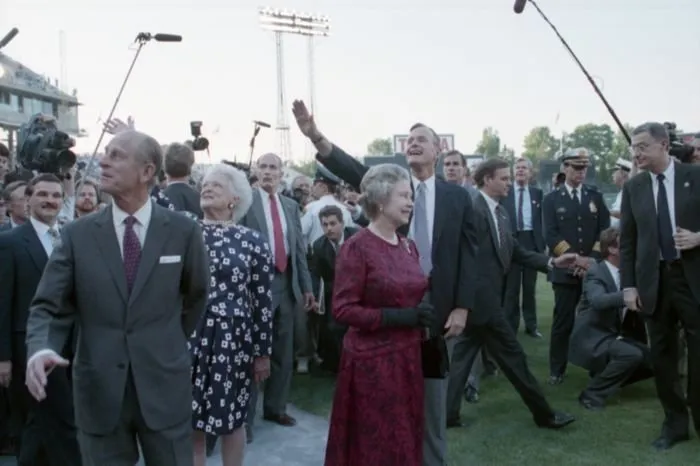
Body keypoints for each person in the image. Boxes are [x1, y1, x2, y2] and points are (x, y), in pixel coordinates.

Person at [293, 99, 478, 466]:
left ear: (438, 149)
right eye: (409, 139)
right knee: (390, 416)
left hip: (438, 317)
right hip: (387, 318)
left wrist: (461, 306)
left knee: (432, 411)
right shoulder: (390, 191)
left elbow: (471, 255)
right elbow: (347, 166)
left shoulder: (459, 196)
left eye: (422, 138)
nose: (413, 143)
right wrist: (316, 136)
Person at [24, 130, 210, 466]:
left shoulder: (184, 231)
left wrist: (164, 339)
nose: (104, 161)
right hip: (98, 392)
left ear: (147, 172)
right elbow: (49, 306)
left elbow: (196, 297)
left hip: (164, 388)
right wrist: (41, 347)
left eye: (117, 155)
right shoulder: (76, 235)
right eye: (105, 153)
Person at [445, 158, 576, 430]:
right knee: (514, 357)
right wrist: (464, 302)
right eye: (503, 178)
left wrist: (552, 262)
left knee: (461, 360)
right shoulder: (472, 208)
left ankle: (447, 415)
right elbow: (463, 259)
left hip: (482, 302)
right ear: (486, 180)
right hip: (482, 304)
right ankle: (545, 415)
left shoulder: (501, 212)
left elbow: (514, 250)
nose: (509, 182)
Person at [325, 164, 431, 466]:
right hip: (372, 364)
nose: (410, 202)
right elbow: (343, 309)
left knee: (405, 437)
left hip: (408, 358)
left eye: (411, 196)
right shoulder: (357, 247)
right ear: (381, 200)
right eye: (404, 195)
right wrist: (397, 318)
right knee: (376, 444)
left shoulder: (408, 246)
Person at [620, 122, 700, 451]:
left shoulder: (695, 176)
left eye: (642, 146)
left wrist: (698, 238)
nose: (636, 153)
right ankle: (675, 424)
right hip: (654, 283)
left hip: (691, 280)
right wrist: (629, 287)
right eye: (633, 148)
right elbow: (628, 242)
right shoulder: (634, 187)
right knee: (663, 358)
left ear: (664, 145)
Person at [189, 164, 273, 466]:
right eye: (205, 184)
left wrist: (263, 353)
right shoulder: (184, 231)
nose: (207, 188)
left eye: (217, 186)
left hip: (233, 340)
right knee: (191, 419)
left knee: (233, 418)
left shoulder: (253, 241)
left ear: (234, 200)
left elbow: (262, 301)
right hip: (189, 336)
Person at [0, 174, 81, 465]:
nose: (50, 201)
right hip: (28, 348)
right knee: (53, 420)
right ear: (28, 199)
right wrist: (4, 357)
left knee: (42, 423)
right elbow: (2, 302)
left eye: (57, 196)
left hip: (72, 347)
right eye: (43, 195)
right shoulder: (9, 242)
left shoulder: (71, 237)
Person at [239, 153, 314, 441]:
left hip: (286, 286)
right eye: (264, 166)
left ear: (282, 173)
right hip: (254, 285)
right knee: (251, 353)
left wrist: (306, 287)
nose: (268, 172)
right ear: (256, 170)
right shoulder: (245, 202)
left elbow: (299, 251)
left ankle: (275, 407)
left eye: (274, 167)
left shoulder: (291, 206)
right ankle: (243, 419)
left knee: (284, 350)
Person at [542, 149, 610, 385]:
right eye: (576, 167)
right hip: (565, 270)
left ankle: (597, 366)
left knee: (597, 320)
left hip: (593, 269)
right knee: (562, 322)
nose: (581, 172)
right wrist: (574, 259)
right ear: (565, 168)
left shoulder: (595, 196)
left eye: (584, 168)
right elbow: (550, 234)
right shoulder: (551, 199)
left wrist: (591, 258)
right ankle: (557, 369)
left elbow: (605, 231)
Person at [569, 226, 652, 410]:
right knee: (631, 355)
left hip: (613, 335)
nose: (633, 249)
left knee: (652, 360)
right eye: (627, 246)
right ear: (612, 249)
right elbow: (598, 301)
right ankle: (591, 395)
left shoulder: (630, 273)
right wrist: (627, 295)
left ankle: (607, 376)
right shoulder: (595, 272)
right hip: (592, 337)